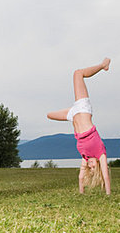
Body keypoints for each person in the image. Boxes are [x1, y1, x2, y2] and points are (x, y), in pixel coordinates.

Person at [47, 58, 112, 194]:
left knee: (49, 115)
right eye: (94, 168)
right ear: (99, 165)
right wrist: (108, 194)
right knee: (78, 73)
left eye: (90, 168)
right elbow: (106, 176)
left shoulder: (86, 156)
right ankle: (103, 65)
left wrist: (81, 192)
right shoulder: (101, 154)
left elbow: (80, 177)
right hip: (82, 109)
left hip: (73, 114)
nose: (90, 166)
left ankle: (73, 108)